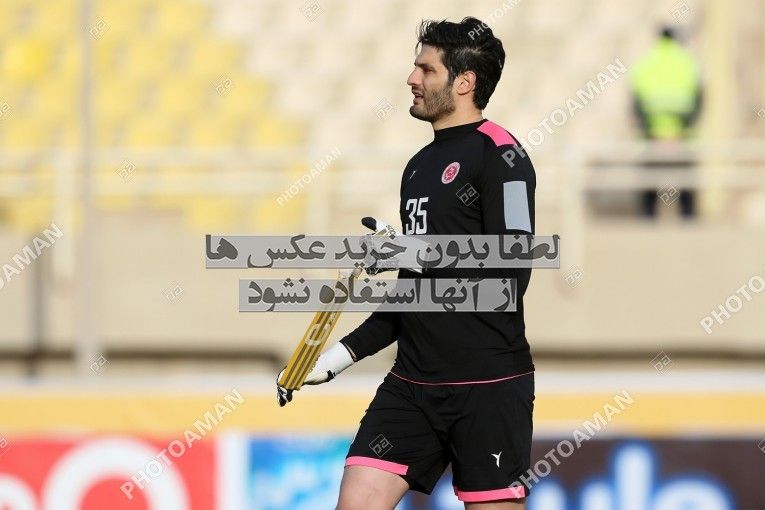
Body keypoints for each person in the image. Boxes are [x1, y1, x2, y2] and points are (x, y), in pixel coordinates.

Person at [277, 17, 537, 509]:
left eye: (426, 70)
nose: (412, 79)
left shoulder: (502, 156)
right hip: (411, 386)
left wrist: (414, 252)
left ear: (464, 82)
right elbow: (409, 297)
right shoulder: (417, 167)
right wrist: (334, 359)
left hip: (487, 387)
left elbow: (512, 274)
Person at [631, 26, 703, 218]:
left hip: (652, 134)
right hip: (682, 134)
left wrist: (649, 128)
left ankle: (648, 219)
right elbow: (699, 99)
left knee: (649, 183)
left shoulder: (645, 62)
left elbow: (636, 102)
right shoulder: (688, 62)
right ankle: (688, 220)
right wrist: (684, 126)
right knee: (686, 183)